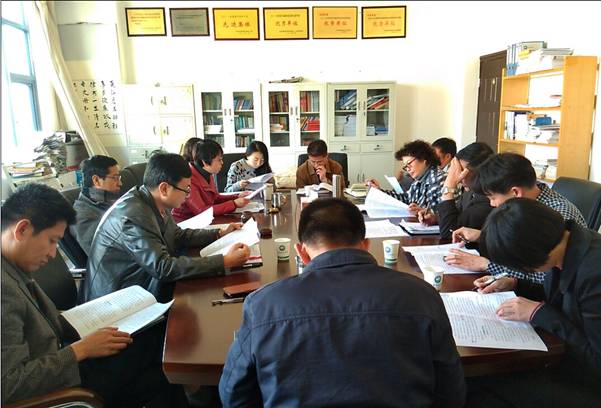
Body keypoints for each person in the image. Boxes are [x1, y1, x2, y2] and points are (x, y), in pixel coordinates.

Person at [219, 198, 466, 407]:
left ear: (301, 252)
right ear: (366, 246)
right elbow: (451, 390)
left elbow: (234, 393)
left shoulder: (263, 304)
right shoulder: (422, 294)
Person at [1, 183, 186, 406]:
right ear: (22, 230)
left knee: (157, 334)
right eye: (52, 241)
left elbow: (38, 321)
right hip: (63, 382)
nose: (52, 254)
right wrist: (82, 349)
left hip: (65, 352)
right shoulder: (4, 289)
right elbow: (8, 385)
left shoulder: (13, 266)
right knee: (160, 365)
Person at [467, 198, 601, 407]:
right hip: (563, 360)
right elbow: (562, 298)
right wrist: (515, 283)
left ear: (532, 255)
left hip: (588, 382)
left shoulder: (594, 273)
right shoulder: (564, 242)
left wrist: (539, 313)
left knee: (480, 384)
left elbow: (596, 359)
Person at [84, 153, 250, 303]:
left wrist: (219, 233)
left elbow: (177, 236)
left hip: (142, 284)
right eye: (186, 189)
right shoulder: (133, 215)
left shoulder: (152, 201)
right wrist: (224, 261)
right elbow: (162, 267)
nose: (188, 195)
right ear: (164, 188)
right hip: (117, 302)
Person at [446, 153, 586, 284]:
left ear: (515, 192)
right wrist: (482, 236)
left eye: (492, 197)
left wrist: (486, 265)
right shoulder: (532, 202)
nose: (492, 204)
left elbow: (546, 274)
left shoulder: (557, 214)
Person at [418, 142, 494, 241]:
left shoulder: (487, 199)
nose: (458, 176)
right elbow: (457, 217)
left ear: (479, 172)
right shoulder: (469, 192)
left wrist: (449, 186)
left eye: (461, 170)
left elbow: (449, 233)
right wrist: (436, 218)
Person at [172, 140, 250, 222]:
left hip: (203, 220)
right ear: (205, 162)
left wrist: (237, 196)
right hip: (186, 222)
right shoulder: (189, 178)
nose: (222, 163)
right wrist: (234, 204)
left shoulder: (207, 172)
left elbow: (215, 198)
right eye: (219, 160)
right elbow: (201, 211)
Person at [366, 140, 447, 212]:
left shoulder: (441, 180)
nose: (407, 169)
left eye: (409, 163)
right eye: (405, 166)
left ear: (423, 159)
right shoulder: (418, 181)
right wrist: (379, 191)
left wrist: (425, 212)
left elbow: (445, 212)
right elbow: (406, 198)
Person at [70, 155, 122, 255]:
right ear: (96, 180)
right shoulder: (83, 217)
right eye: (115, 178)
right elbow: (105, 257)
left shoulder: (109, 201)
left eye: (119, 177)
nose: (120, 183)